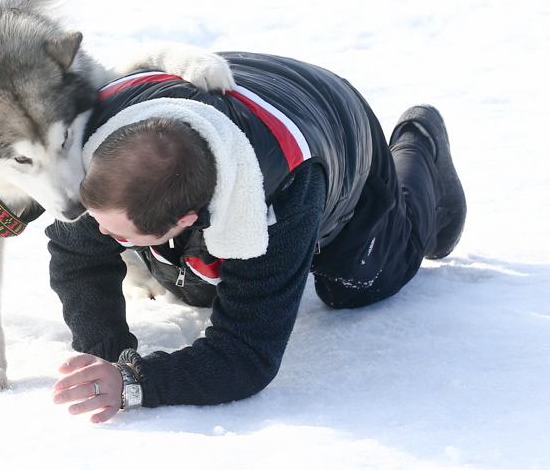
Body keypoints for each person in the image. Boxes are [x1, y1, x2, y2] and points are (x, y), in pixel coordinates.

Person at [47, 51, 466, 423]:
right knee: (196, 285)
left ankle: (417, 147)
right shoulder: (97, 155)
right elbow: (76, 252)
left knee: (357, 286)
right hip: (227, 96)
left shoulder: (286, 196)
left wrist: (134, 381)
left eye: (116, 230)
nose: (98, 230)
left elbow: (246, 357)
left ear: (187, 217)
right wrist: (106, 355)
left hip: (334, 123)